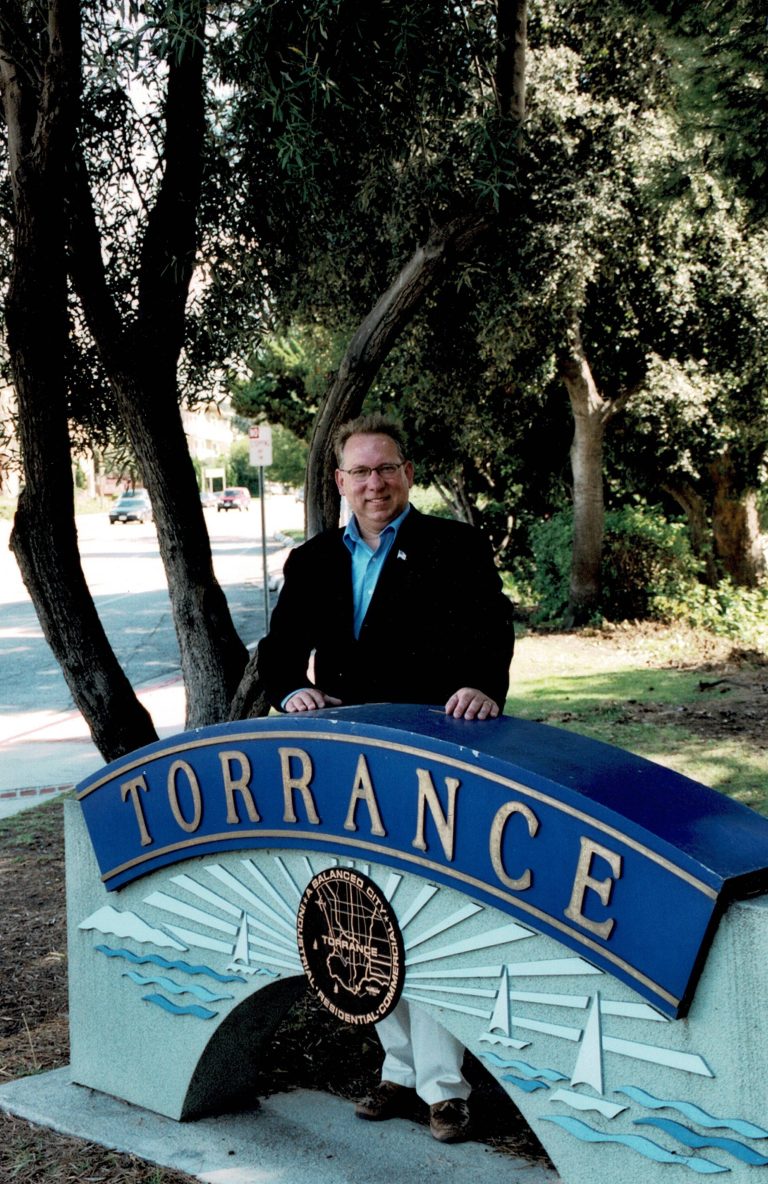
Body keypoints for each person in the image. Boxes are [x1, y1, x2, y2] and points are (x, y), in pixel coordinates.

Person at [257, 413, 514, 1143]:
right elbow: (279, 650)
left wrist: (482, 686)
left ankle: (445, 1090)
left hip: (434, 760)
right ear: (340, 482)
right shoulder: (312, 561)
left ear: (408, 474)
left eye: (386, 468)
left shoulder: (455, 547)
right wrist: (291, 691)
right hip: (350, 766)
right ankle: (398, 1071)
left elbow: (492, 631)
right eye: (361, 471)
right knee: (366, 913)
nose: (375, 483)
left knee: (426, 912)